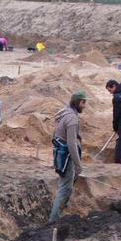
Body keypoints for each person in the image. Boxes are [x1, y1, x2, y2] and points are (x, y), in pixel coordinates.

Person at [49, 91, 88, 223]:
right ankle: (53, 220)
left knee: (67, 184)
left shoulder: (66, 112)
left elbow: (55, 134)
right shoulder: (72, 119)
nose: (85, 105)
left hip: (61, 152)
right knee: (65, 187)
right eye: (83, 102)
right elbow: (71, 144)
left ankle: (61, 208)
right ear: (77, 103)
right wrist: (78, 165)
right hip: (66, 156)